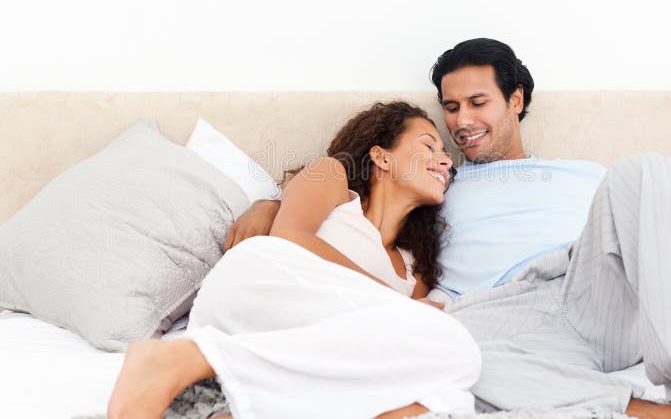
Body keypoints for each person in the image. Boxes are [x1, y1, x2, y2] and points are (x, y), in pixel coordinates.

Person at [229, 39, 671, 419]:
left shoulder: (587, 175)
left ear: (516, 101)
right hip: (496, 313)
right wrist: (269, 200)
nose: (461, 122)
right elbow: (358, 199)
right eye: (451, 109)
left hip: (592, 290)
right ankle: (659, 412)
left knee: (649, 170)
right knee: (447, 356)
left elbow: (655, 232)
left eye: (478, 103)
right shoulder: (439, 183)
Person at [107, 101, 481, 419]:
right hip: (264, 284)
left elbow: (389, 347)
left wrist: (407, 311)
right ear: (381, 156)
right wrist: (401, 306)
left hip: (307, 340)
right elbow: (290, 236)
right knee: (456, 346)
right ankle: (182, 360)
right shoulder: (331, 177)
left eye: (446, 156)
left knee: (449, 390)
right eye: (429, 146)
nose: (444, 161)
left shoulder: (414, 269)